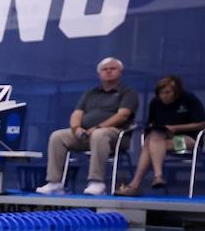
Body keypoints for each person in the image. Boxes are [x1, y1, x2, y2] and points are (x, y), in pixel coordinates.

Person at [37, 57, 139, 195]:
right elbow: (76, 114)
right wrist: (76, 128)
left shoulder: (128, 92)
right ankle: (54, 183)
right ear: (99, 74)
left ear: (120, 72)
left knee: (99, 134)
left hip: (116, 135)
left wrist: (99, 127)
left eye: (112, 69)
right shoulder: (90, 94)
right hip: (87, 135)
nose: (108, 71)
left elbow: (123, 115)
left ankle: (96, 182)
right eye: (105, 69)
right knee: (58, 136)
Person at [117, 76, 205, 197]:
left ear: (176, 92)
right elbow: (151, 124)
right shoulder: (155, 103)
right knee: (153, 138)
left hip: (188, 140)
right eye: (161, 93)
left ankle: (138, 184)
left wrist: (176, 128)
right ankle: (156, 178)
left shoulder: (189, 99)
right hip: (162, 140)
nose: (164, 96)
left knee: (150, 144)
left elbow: (201, 123)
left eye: (167, 92)